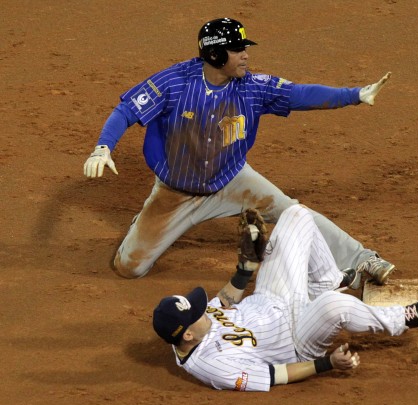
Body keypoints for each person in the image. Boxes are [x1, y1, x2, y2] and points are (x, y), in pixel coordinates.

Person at [83, 17, 394, 285]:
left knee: (291, 211)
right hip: (174, 193)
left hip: (232, 180)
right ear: (217, 55)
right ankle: (146, 221)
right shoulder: (174, 82)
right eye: (238, 50)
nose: (246, 56)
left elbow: (298, 94)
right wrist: (102, 148)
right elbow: (126, 111)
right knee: (129, 269)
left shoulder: (253, 86)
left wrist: (353, 95)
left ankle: (362, 258)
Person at [152, 205, 418, 391]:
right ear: (187, 336)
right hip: (298, 339)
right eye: (198, 313)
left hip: (271, 297)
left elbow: (225, 300)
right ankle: (400, 320)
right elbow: (277, 375)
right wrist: (326, 364)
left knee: (296, 215)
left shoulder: (195, 324)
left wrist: (244, 270)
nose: (205, 310)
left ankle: (330, 280)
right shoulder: (214, 366)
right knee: (333, 306)